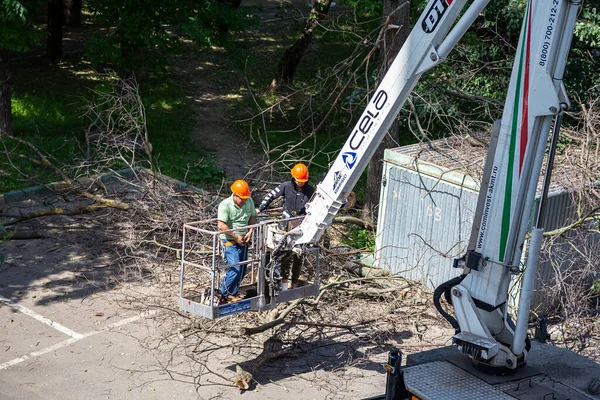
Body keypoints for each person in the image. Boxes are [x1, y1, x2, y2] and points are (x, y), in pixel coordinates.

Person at [257, 163, 315, 289]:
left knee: (299, 255)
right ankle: (283, 284)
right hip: (286, 225)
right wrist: (260, 208)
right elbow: (271, 195)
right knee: (285, 255)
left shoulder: (311, 191)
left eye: (303, 181)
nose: (300, 184)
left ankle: (293, 283)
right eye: (298, 181)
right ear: (293, 178)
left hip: (301, 226)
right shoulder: (286, 186)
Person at [218, 179, 257, 301]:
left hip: (243, 239)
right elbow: (221, 225)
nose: (244, 201)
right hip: (229, 240)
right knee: (235, 268)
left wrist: (250, 231)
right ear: (234, 195)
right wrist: (236, 237)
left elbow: (252, 216)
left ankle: (232, 293)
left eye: (245, 199)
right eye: (241, 199)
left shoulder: (248, 201)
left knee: (243, 268)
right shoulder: (225, 205)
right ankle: (223, 294)